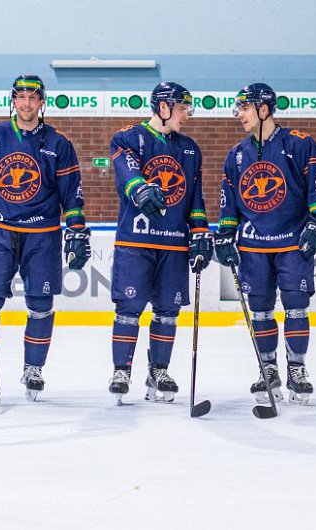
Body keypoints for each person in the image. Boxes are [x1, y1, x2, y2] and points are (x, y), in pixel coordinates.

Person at [0, 74, 90, 402]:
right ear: (13, 100)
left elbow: (72, 195)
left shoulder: (58, 143)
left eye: (33, 97)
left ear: (42, 102)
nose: (27, 103)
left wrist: (76, 230)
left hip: (42, 234)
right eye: (21, 97)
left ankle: (33, 369)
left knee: (41, 304)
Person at [214, 82, 316, 404]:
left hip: (293, 243)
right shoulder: (237, 155)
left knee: (296, 305)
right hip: (254, 247)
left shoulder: (300, 144)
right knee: (261, 311)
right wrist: (225, 234)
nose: (239, 114)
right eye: (238, 108)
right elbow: (229, 202)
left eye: (245, 108)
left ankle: (297, 369)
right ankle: (267, 369)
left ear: (263, 109)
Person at [106, 82, 210, 404]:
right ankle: (121, 371)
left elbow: (194, 198)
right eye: (182, 109)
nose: (186, 116)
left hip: (175, 244)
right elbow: (128, 173)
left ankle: (158, 371)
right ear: (163, 108)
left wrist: (200, 232)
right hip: (135, 241)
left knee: (168, 311)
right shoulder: (128, 137)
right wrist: (140, 188)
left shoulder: (190, 149)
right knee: (129, 308)